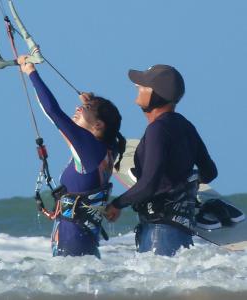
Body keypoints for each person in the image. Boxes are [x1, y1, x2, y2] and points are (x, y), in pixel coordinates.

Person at [18, 55, 126, 258]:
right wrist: (90, 106)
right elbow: (92, 127)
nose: (76, 109)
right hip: (83, 241)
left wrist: (31, 72)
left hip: (72, 243)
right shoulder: (107, 148)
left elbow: (53, 112)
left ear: (98, 126)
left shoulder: (90, 150)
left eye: (83, 109)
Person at [106, 64, 218, 256]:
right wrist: (185, 185)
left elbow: (149, 184)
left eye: (142, 86)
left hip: (159, 233)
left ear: (155, 95)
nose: (137, 88)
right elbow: (209, 173)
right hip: (181, 232)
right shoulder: (185, 125)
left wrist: (117, 204)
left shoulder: (157, 130)